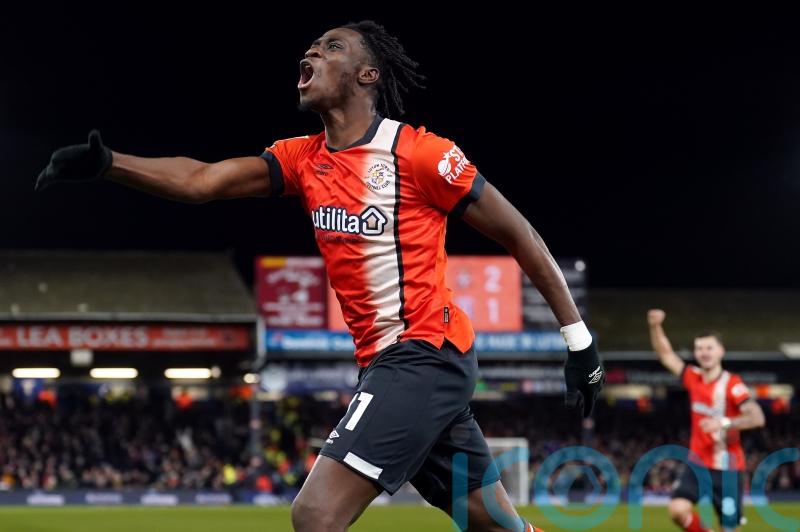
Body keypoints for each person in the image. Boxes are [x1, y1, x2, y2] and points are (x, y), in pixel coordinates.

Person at [37, 20, 604, 532]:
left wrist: (578, 342)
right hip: (394, 365)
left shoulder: (419, 154)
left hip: (424, 352)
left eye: (331, 46)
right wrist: (110, 164)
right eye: (310, 46)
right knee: (494, 526)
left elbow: (519, 233)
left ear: (366, 74)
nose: (310, 51)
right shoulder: (304, 159)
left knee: (314, 515)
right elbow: (203, 181)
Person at [647, 309, 765, 532]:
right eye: (699, 348)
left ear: (721, 351)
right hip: (698, 464)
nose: (704, 352)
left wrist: (723, 423)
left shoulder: (732, 384)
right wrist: (655, 326)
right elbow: (666, 354)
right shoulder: (693, 377)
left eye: (709, 347)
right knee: (677, 509)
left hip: (728, 469)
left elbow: (757, 417)